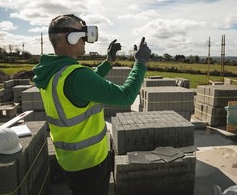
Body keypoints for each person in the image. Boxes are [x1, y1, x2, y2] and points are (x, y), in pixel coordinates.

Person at [33, 14, 151, 195]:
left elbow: (87, 83)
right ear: (69, 37)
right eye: (82, 34)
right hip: (89, 163)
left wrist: (108, 62)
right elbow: (126, 96)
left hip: (69, 160)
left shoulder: (52, 71)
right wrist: (140, 63)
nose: (86, 41)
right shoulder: (76, 76)